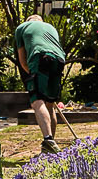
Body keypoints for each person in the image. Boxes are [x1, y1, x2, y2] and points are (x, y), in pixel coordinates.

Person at [13, 10, 66, 155]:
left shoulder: (22, 27)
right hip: (59, 60)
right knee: (50, 104)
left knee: (37, 101)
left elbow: (23, 61)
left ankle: (48, 140)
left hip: (40, 57)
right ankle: (51, 148)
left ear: (29, 21)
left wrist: (33, 77)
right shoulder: (51, 28)